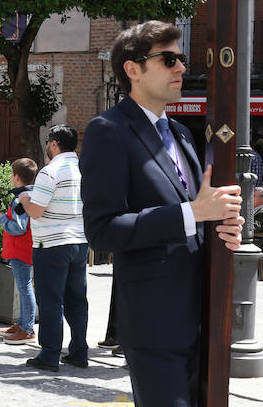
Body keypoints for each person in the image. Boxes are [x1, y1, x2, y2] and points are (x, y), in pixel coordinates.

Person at [80, 21, 244, 406]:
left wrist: (222, 226)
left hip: (205, 316)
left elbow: (198, 216)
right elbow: (102, 231)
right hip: (154, 324)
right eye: (169, 59)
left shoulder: (183, 134)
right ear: (132, 70)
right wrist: (192, 213)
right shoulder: (108, 131)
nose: (182, 68)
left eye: (182, 59)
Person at [18, 125, 89, 372]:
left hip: (51, 244)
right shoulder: (85, 170)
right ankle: (79, 352)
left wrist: (24, 199)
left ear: (54, 143)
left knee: (50, 301)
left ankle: (49, 355)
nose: (47, 145)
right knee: (77, 300)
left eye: (48, 140)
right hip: (80, 242)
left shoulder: (50, 172)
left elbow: (36, 211)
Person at [0, 158, 37, 345]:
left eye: (12, 174)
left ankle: (27, 328)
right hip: (25, 249)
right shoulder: (29, 194)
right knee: (25, 287)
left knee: (25, 288)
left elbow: (18, 227)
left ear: (16, 177)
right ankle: (22, 324)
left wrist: (2, 218)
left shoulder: (20, 199)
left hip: (20, 250)